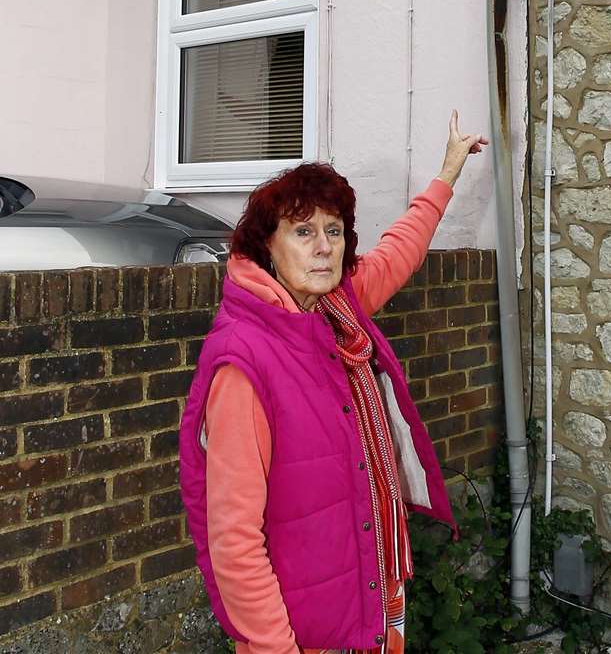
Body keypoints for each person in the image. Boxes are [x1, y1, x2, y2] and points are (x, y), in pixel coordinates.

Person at [180, 112, 488, 654]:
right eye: (302, 232)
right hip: (306, 633)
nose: (324, 247)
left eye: (334, 231)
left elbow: (401, 250)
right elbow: (233, 542)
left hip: (368, 599)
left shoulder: (335, 309)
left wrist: (446, 174)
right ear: (266, 248)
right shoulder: (242, 362)